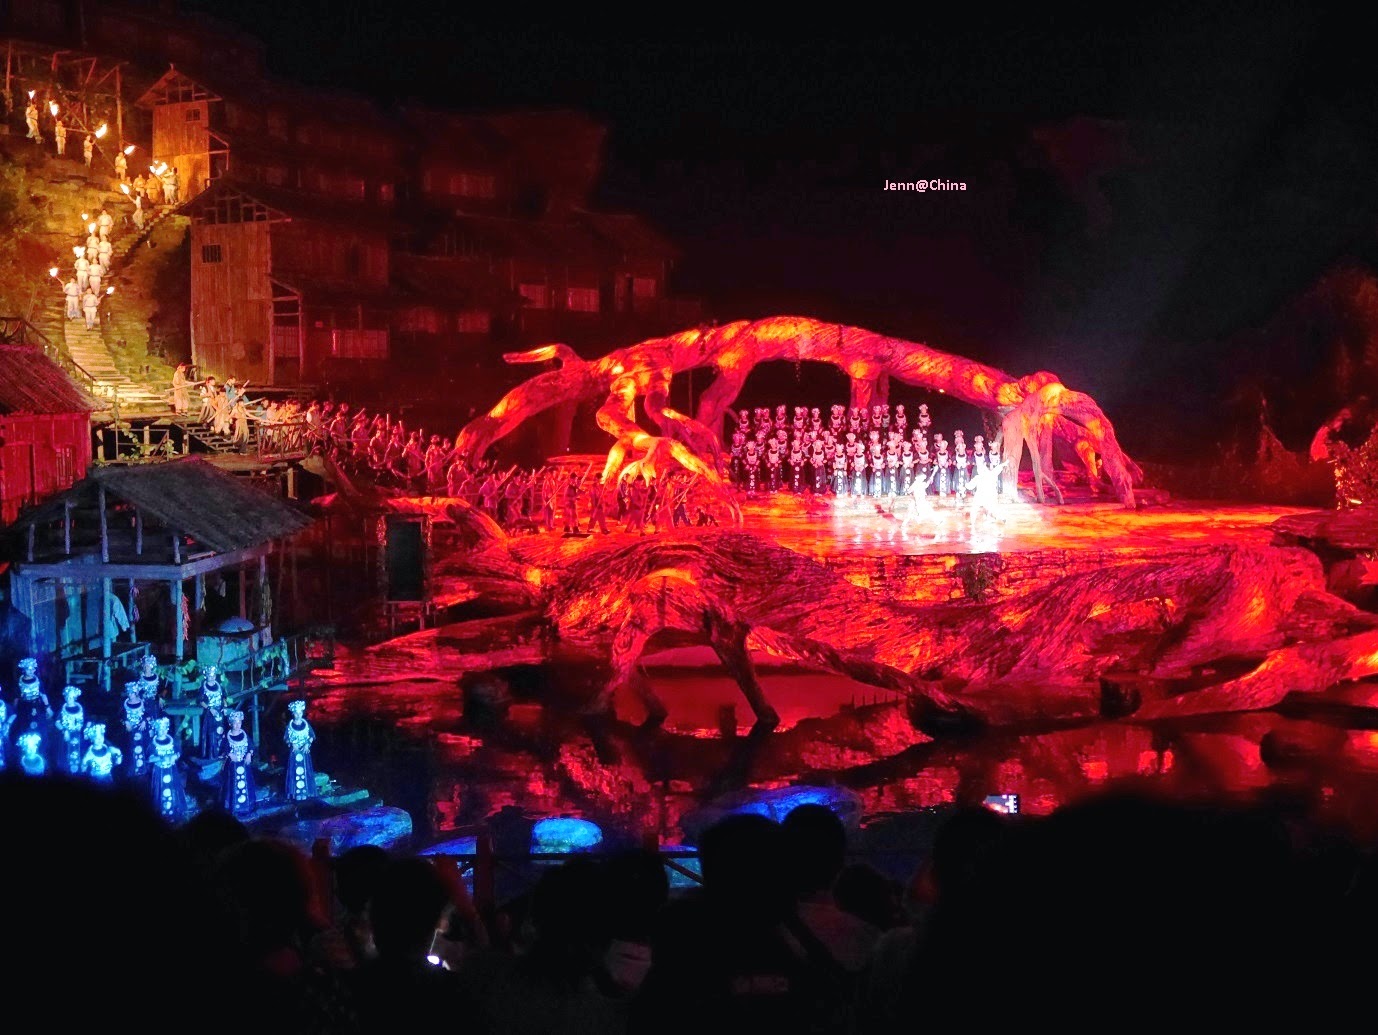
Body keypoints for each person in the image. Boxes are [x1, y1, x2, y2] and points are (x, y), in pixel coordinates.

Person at [148, 716, 187, 822]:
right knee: (160, 790)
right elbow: (150, 758)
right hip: (159, 772)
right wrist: (162, 758)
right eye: (160, 729)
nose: (163, 731)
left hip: (171, 771)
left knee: (173, 789)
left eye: (165, 728)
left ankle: (174, 810)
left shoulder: (172, 741)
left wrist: (175, 756)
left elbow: (178, 752)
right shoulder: (153, 743)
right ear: (156, 730)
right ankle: (160, 812)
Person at [221, 709, 256, 815]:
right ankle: (234, 806)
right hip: (233, 766)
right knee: (233, 784)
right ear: (230, 724)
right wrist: (230, 754)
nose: (237, 725)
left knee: (246, 783)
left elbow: (251, 746)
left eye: (239, 722)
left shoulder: (244, 735)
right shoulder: (227, 737)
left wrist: (249, 754)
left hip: (244, 765)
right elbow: (224, 748)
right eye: (235, 723)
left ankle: (247, 806)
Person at [283, 699, 316, 802]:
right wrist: (292, 744)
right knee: (295, 771)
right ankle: (296, 792)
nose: (298, 715)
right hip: (294, 753)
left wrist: (307, 744)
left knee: (305, 770)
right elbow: (286, 738)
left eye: (300, 713)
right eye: (296, 713)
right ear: (293, 713)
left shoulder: (306, 725)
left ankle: (305, 791)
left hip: (304, 752)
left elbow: (312, 736)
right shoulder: (290, 726)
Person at [55, 685, 85, 774]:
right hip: (66, 735)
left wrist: (86, 728)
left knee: (78, 751)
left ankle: (77, 771)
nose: (69, 699)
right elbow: (57, 722)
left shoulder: (80, 709)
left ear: (75, 698)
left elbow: (86, 720)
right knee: (65, 752)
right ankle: (64, 771)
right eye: (67, 697)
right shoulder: (63, 709)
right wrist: (64, 730)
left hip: (78, 735)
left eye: (71, 697)